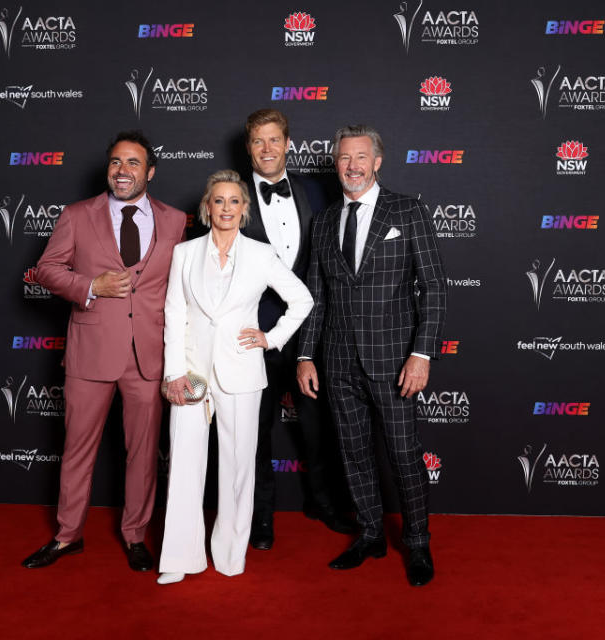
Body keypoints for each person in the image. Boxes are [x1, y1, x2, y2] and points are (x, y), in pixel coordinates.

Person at [22, 130, 187, 572]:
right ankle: (67, 535)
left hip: (148, 357)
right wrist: (90, 286)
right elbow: (46, 270)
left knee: (143, 453)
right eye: (116, 162)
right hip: (90, 354)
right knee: (77, 449)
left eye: (133, 163)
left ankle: (135, 535)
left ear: (150, 171)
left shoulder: (176, 221)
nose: (123, 171)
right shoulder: (78, 216)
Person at [296, 125, 446, 586]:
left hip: (396, 360)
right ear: (335, 164)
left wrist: (422, 353)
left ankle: (417, 544)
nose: (353, 166)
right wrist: (305, 356)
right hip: (338, 362)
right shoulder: (323, 223)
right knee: (354, 454)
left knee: (403, 454)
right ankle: (370, 534)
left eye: (361, 157)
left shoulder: (408, 209)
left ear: (378, 161)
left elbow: (434, 288)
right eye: (344, 158)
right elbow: (316, 297)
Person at [157, 170, 313, 584]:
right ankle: (179, 557)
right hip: (191, 373)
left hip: (242, 371)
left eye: (234, 201)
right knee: (185, 466)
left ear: (244, 210)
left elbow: (302, 299)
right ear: (207, 208)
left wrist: (272, 337)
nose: (226, 208)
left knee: (238, 467)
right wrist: (173, 373)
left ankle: (229, 555)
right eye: (218, 201)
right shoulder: (184, 253)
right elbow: (174, 315)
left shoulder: (260, 255)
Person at [240, 108, 357, 550]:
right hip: (254, 337)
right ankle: (261, 516)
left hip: (310, 335)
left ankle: (323, 504)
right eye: (258, 142)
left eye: (274, 140)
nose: (267, 149)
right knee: (256, 432)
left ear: (289, 143)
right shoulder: (233, 196)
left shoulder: (314, 190)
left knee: (319, 426)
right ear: (248, 147)